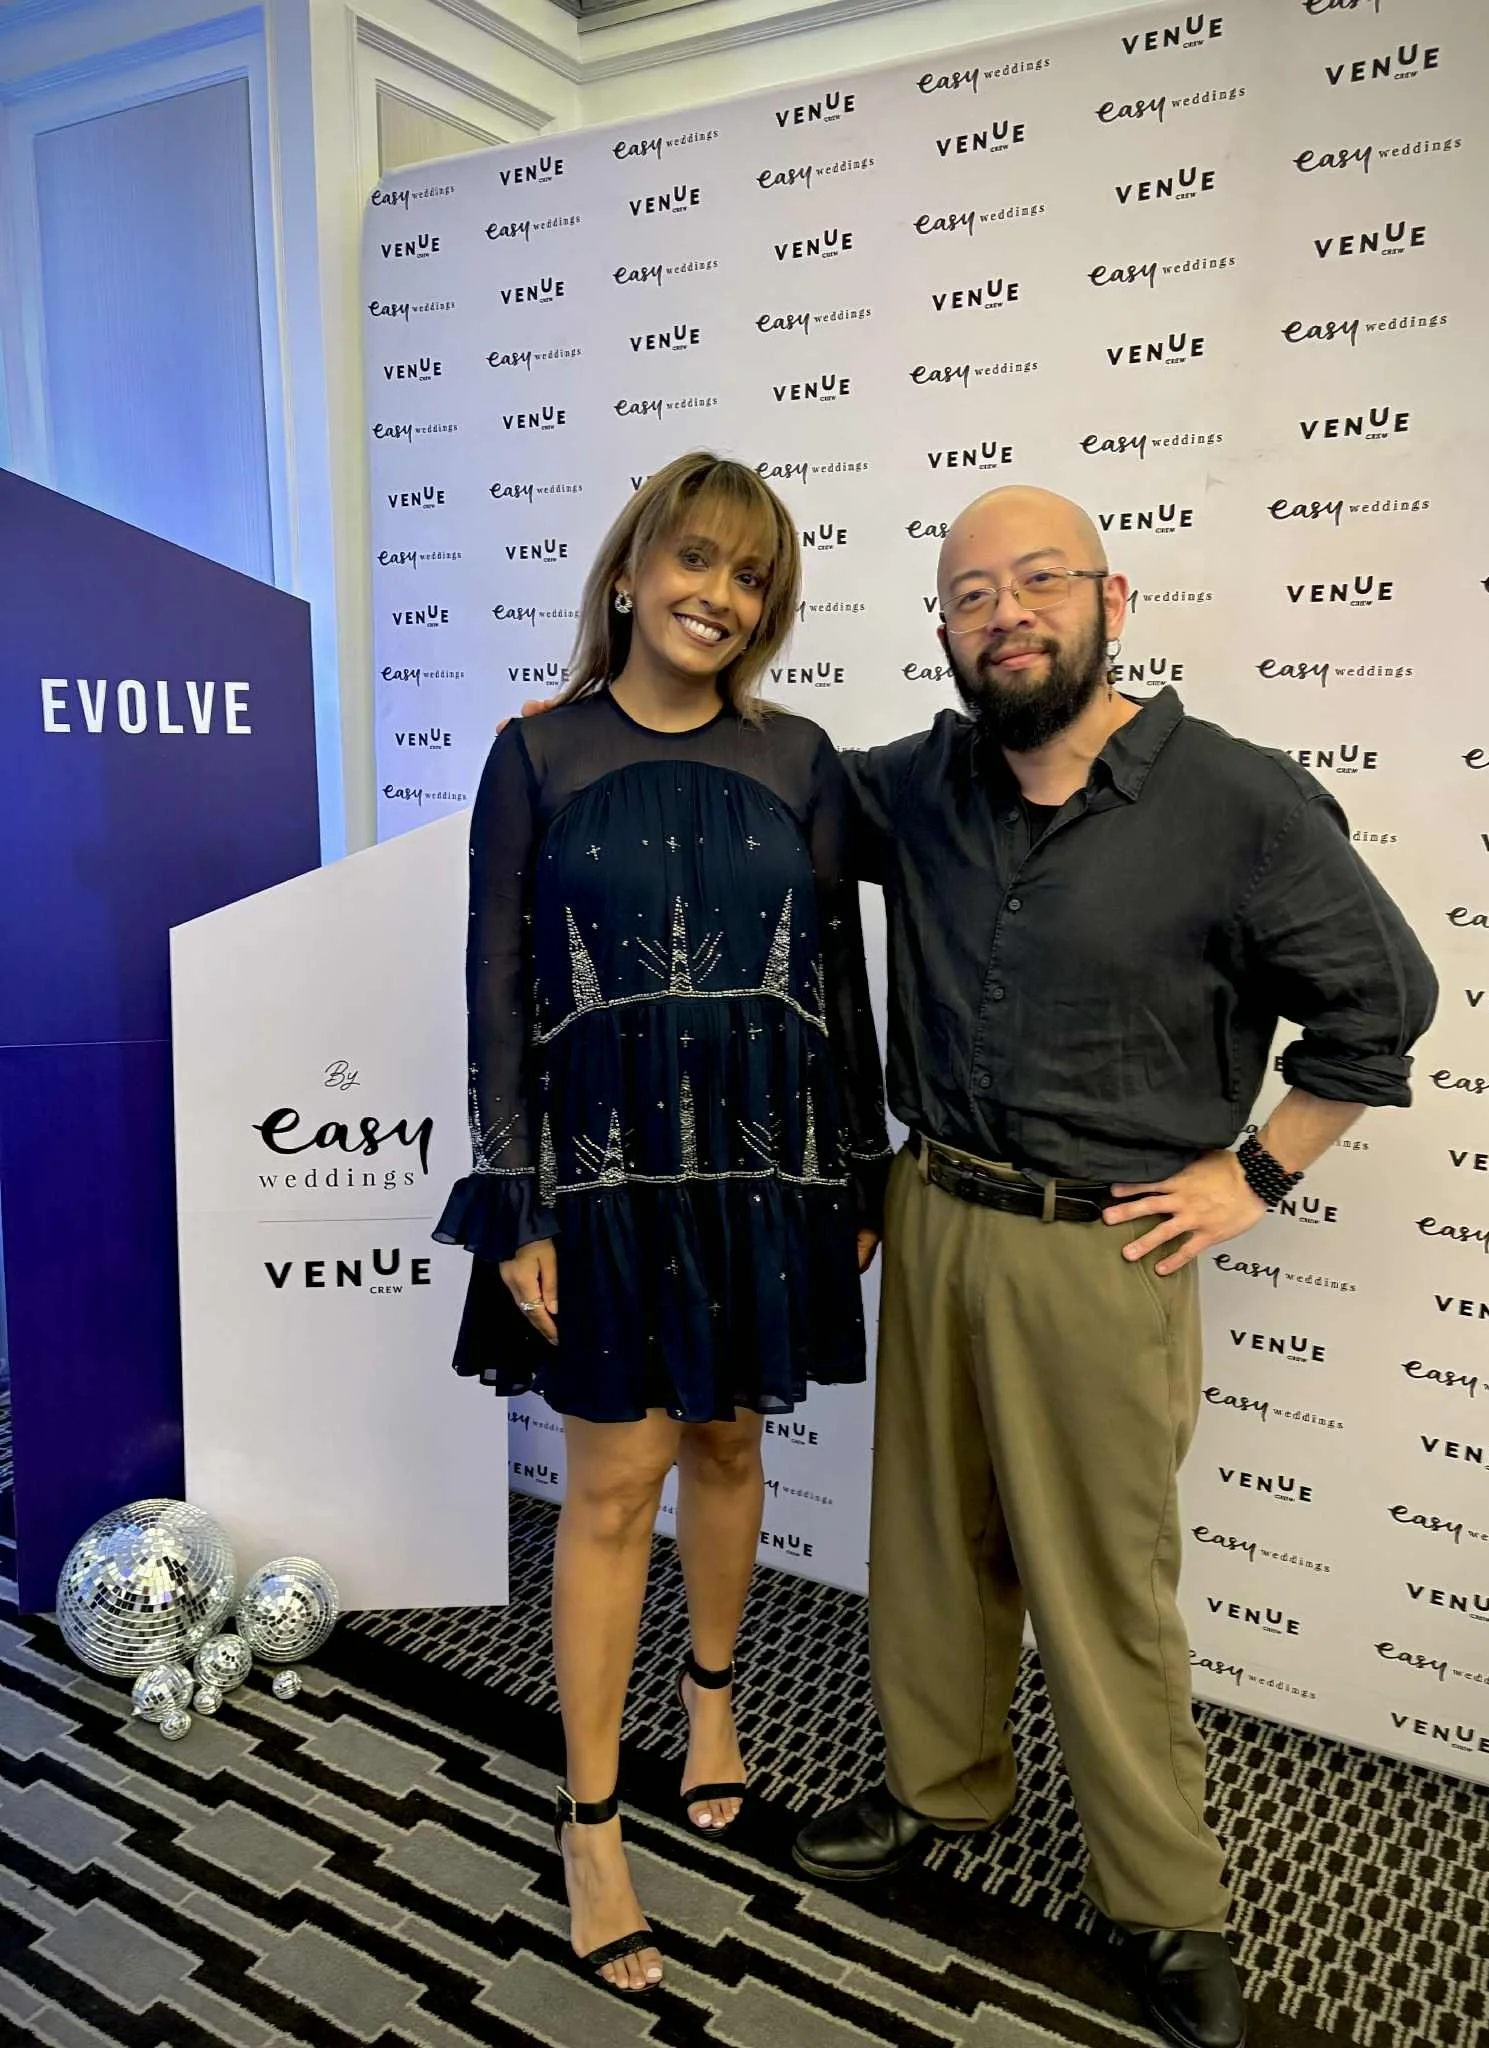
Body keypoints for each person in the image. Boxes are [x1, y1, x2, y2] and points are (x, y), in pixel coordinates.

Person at [782, 485, 1438, 2048]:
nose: (1003, 614)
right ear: (941, 632)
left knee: (1104, 1592)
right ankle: (944, 1788)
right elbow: (758, 784)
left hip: (1103, 1251)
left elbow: (1381, 1003)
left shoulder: (1239, 803)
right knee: (932, 1543)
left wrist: (1261, 1168)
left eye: (1038, 582)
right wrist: (613, 717)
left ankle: (1162, 1901)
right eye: (967, 596)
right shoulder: (916, 785)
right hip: (932, 1208)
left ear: (1112, 598)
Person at [436, 452, 890, 1996]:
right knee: (613, 1483)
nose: (719, 595)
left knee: (730, 1446)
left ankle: (710, 1701)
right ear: (629, 573)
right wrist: (516, 1203)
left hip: (766, 1173)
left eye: (750, 577)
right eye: (694, 561)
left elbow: (839, 984)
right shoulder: (536, 755)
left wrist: (864, 1171)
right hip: (598, 1179)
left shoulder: (804, 759)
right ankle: (589, 1818)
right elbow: (496, 994)